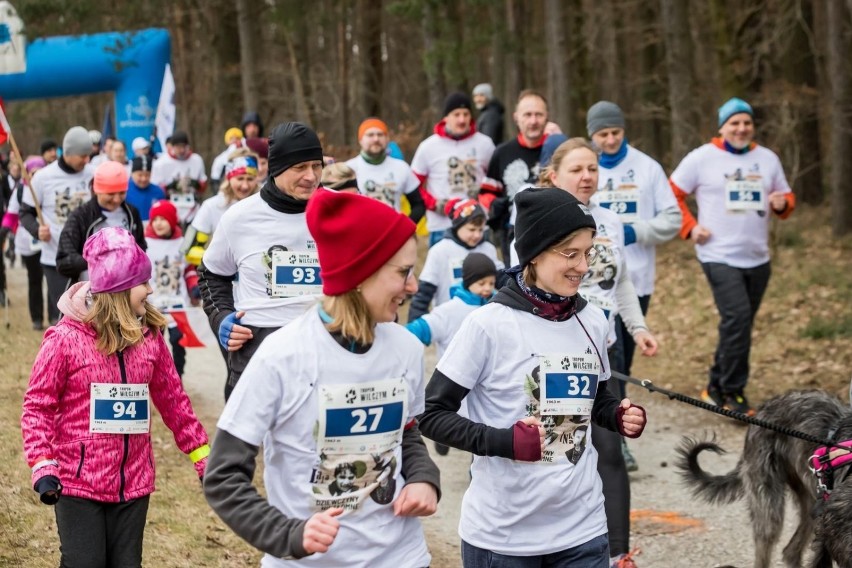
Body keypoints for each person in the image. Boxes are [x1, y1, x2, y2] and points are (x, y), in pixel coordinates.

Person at [204, 188, 440, 567]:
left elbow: (407, 432)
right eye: (403, 272)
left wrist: (424, 477)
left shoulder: (406, 348)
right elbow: (222, 477)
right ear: (362, 274)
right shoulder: (282, 356)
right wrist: (289, 534)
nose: (413, 287)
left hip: (401, 556)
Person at [418, 187, 647, 567]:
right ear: (534, 255)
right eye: (570, 254)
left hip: (583, 529)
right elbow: (431, 413)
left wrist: (617, 415)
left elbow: (596, 399)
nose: (582, 266)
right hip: (504, 538)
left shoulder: (592, 319)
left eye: (587, 253)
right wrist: (504, 441)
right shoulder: (488, 325)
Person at [21, 226, 209, 568]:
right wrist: (42, 464)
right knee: (85, 562)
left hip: (133, 483)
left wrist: (203, 456)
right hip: (78, 483)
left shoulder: (150, 338)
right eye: (143, 282)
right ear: (118, 289)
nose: (151, 289)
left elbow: (174, 402)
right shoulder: (64, 340)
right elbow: (38, 406)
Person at [538, 138, 657, 567]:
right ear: (555, 175)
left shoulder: (609, 220)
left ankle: (618, 552)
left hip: (604, 350)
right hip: (555, 354)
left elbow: (621, 282)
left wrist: (637, 328)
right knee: (560, 447)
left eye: (592, 168)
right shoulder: (540, 221)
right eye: (577, 169)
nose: (587, 176)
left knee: (609, 449)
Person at [670, 97, 795, 416]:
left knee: (738, 325)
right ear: (722, 126)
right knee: (737, 318)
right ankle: (733, 392)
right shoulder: (702, 158)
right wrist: (690, 227)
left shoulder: (767, 159)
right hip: (717, 254)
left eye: (746, 123)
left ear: (753, 127)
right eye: (734, 123)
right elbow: (671, 193)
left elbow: (785, 197)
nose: (741, 128)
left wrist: (782, 205)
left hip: (758, 257)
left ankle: (713, 386)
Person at [198, 122, 325, 400]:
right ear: (277, 168)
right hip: (259, 343)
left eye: (317, 165)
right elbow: (211, 274)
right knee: (249, 442)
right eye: (300, 167)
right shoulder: (239, 217)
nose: (311, 176)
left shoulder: (342, 211)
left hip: (327, 341)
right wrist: (221, 318)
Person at [587, 101, 681, 379]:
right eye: (603, 134)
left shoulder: (647, 168)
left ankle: (616, 414)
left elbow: (673, 219)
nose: (611, 139)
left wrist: (633, 232)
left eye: (616, 132)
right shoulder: (586, 170)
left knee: (622, 363)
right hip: (592, 285)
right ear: (592, 135)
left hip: (636, 279)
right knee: (599, 360)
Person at [19, 126, 94, 325]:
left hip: (90, 259)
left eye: (89, 155)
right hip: (55, 260)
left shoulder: (93, 174)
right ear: (68, 153)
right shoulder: (43, 177)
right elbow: (25, 213)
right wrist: (37, 230)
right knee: (65, 319)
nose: (86, 160)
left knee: (92, 317)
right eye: (83, 156)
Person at [411, 92, 495, 247]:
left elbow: (495, 181)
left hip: (477, 225)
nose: (462, 119)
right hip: (442, 226)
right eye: (456, 114)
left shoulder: (485, 144)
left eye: (466, 114)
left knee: (483, 271)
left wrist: (484, 196)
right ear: (446, 117)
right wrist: (436, 204)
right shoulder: (428, 147)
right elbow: (413, 186)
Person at [481, 89, 550, 262]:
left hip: (553, 235)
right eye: (527, 115)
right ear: (516, 118)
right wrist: (494, 208)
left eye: (538, 115)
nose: (533, 121)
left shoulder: (558, 151)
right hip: (512, 237)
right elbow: (486, 193)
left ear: (547, 117)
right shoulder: (502, 153)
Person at [407, 197, 502, 321]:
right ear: (458, 226)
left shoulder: (488, 248)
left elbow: (501, 279)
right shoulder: (440, 251)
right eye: (472, 229)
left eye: (480, 230)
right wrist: (416, 323)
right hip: (450, 321)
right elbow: (424, 293)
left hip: (483, 319)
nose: (477, 235)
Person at [56, 161, 145, 284]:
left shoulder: (131, 213)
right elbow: (64, 261)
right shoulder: (80, 216)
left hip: (126, 288)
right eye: (111, 194)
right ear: (97, 189)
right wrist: (98, 259)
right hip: (91, 291)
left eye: (122, 193)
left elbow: (141, 247)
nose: (117, 199)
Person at [145, 199, 200, 378]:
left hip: (178, 304)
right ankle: (154, 379)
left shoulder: (183, 243)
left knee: (179, 342)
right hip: (153, 305)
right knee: (153, 344)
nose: (158, 223)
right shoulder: (145, 243)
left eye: (163, 219)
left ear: (173, 220)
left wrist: (194, 288)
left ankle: (177, 377)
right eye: (155, 219)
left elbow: (189, 270)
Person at [406, 252, 496, 357]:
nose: (488, 288)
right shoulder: (449, 311)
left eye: (492, 283)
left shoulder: (495, 306)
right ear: (468, 283)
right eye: (481, 283)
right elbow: (416, 330)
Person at [183, 149, 261, 266]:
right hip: (220, 280)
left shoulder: (264, 205)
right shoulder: (211, 206)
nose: (245, 186)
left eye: (250, 179)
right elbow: (189, 251)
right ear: (229, 178)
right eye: (240, 179)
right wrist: (224, 263)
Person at [345, 117, 426, 222]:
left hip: (393, 234)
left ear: (387, 139)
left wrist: (404, 227)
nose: (376, 139)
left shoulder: (401, 167)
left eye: (380, 134)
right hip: (360, 234)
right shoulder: (348, 169)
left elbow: (418, 205)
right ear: (360, 140)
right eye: (370, 135)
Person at [1, 156, 47, 329]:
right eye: (32, 172)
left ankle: (55, 317)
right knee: (34, 279)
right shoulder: (21, 190)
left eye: (39, 172)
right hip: (28, 242)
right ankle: (36, 318)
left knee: (51, 279)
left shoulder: (48, 187)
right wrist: (5, 229)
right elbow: (12, 213)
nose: (35, 176)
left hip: (49, 240)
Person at [149, 130, 207, 225]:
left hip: (192, 207)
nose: (182, 150)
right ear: (172, 147)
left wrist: (196, 184)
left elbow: (203, 185)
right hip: (170, 207)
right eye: (178, 147)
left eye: (184, 147)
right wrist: (168, 187)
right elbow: (154, 189)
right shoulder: (161, 163)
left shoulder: (196, 160)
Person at [125, 155, 165, 223]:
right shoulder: (124, 191)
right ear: (132, 174)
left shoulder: (158, 192)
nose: (144, 179)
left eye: (147, 175)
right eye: (140, 175)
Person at [209, 127, 244, 191]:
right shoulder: (220, 159)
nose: (235, 141)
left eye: (237, 138)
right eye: (231, 138)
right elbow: (215, 180)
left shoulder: (247, 155)